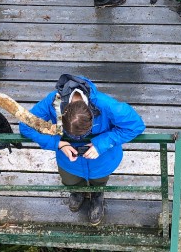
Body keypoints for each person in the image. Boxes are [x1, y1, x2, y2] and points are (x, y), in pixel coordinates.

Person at [19, 75, 145, 226]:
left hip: (102, 159)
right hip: (68, 161)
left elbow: (136, 125)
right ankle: (77, 192)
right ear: (62, 114)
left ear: (92, 115)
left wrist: (102, 143)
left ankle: (97, 195)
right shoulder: (53, 102)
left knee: (99, 181)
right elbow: (25, 125)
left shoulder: (106, 105)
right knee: (69, 179)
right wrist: (58, 143)